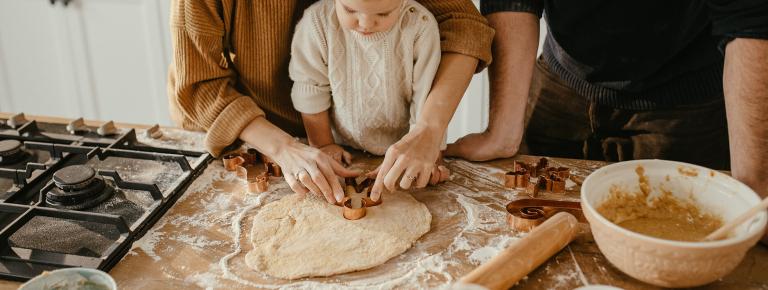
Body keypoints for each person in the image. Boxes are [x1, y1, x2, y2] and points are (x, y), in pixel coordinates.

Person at [446, 0, 767, 242]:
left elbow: (750, 18)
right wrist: (502, 128)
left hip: (687, 104)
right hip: (560, 84)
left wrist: (755, 184)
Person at [167, 0, 493, 204]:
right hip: (243, 128)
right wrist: (284, 147)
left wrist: (429, 130)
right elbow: (201, 85)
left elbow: (464, 25)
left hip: (347, 138)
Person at [289, 0, 450, 200]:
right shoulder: (317, 22)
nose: (365, 23)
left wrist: (431, 156)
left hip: (403, 148)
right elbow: (310, 90)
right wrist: (323, 145)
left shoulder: (420, 26)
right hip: (341, 145)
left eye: (383, 14)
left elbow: (427, 98)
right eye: (349, 10)